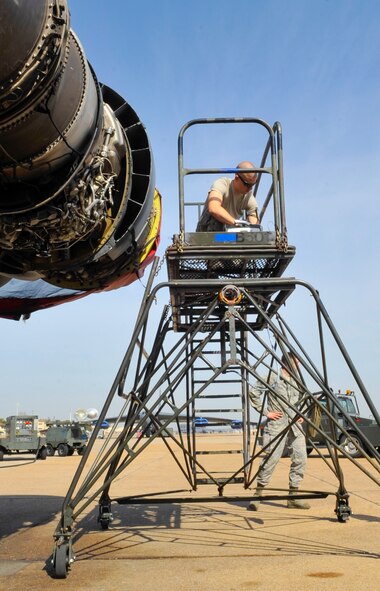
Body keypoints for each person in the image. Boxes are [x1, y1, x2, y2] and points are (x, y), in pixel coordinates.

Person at [248, 352, 310, 511]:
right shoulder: (272, 377)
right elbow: (253, 392)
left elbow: (305, 398)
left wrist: (302, 413)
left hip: (295, 426)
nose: (299, 365)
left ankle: (293, 497)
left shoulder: (298, 380)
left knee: (301, 458)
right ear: (287, 363)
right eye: (296, 362)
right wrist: (266, 413)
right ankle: (258, 495)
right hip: (277, 425)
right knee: (271, 459)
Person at [196, 161, 259, 232]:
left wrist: (252, 227)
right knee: (218, 222)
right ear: (237, 177)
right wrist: (236, 223)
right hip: (208, 234)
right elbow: (213, 208)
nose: (250, 188)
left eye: (253, 184)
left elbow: (253, 216)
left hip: (228, 235)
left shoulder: (248, 196)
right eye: (247, 184)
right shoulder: (222, 184)